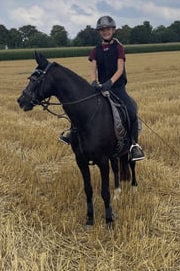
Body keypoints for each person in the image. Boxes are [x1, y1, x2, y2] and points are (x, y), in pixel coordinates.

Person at [59, 15, 145, 161]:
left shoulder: (119, 48)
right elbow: (93, 68)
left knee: (131, 112)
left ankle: (133, 145)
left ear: (113, 30)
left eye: (108, 29)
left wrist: (110, 83)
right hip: (100, 87)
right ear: (100, 32)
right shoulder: (95, 50)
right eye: (103, 30)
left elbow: (120, 69)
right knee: (81, 108)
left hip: (117, 88)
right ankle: (72, 134)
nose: (106, 32)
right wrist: (93, 81)